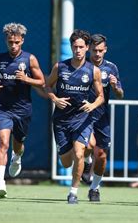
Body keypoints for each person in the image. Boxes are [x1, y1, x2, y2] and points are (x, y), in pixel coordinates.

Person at [45, 29, 104, 204]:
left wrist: (92, 105)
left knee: (79, 153)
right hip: (61, 120)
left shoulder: (93, 71)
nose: (78, 50)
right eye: (75, 47)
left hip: (82, 119)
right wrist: (55, 98)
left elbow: (101, 96)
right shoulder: (60, 67)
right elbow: (47, 86)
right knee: (65, 162)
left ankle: (73, 192)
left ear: (87, 48)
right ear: (71, 47)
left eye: (81, 47)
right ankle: (84, 160)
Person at [0, 23, 45, 198]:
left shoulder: (30, 59)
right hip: (3, 109)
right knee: (3, 143)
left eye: (16, 42)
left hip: (23, 110)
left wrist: (27, 79)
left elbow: (42, 82)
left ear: (22, 40)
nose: (13, 46)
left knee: (18, 144)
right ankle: (0, 182)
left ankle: (17, 157)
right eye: (10, 42)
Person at [81, 34, 124, 201]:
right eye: (94, 50)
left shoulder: (111, 68)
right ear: (88, 49)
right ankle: (86, 161)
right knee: (88, 144)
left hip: (102, 117)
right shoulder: (81, 65)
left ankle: (95, 188)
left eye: (100, 50)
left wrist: (115, 87)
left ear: (105, 50)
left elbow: (120, 94)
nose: (97, 54)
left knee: (102, 155)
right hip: (83, 115)